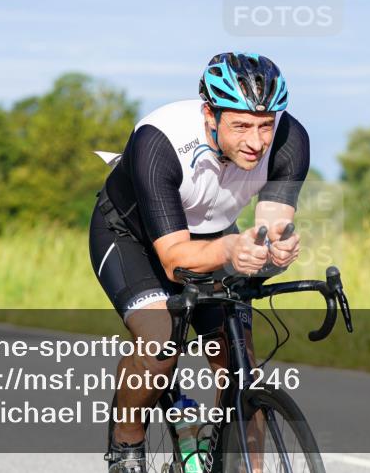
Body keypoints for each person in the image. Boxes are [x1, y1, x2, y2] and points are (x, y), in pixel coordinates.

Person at [90, 52, 310, 472]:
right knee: (159, 341)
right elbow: (175, 261)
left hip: (212, 234)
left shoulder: (290, 140)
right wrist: (231, 251)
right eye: (241, 125)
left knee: (240, 363)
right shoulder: (160, 139)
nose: (257, 141)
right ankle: (127, 442)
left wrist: (274, 252)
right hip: (131, 236)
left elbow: (272, 228)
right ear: (210, 112)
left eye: (265, 125)